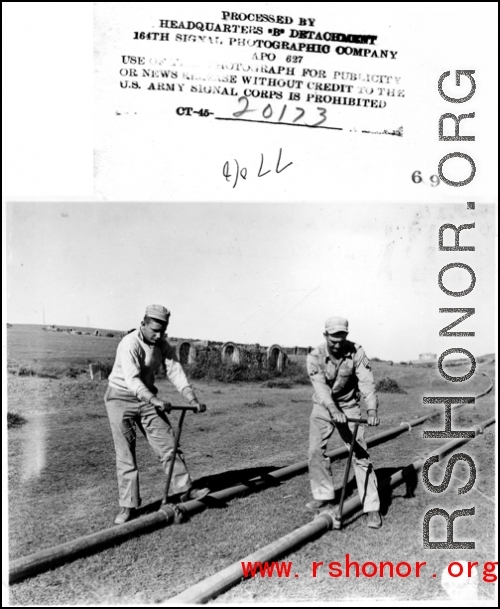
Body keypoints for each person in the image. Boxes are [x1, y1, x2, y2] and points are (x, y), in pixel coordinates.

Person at [104, 304, 209, 525]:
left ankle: (185, 490)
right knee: (126, 455)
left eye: (163, 330)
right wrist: (155, 400)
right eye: (154, 330)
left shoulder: (162, 345)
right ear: (143, 323)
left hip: (148, 400)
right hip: (120, 399)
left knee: (169, 445)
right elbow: (132, 380)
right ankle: (128, 506)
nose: (159, 335)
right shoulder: (129, 343)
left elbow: (175, 371)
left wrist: (192, 399)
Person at [306, 316, 382, 529]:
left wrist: (372, 409)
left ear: (347, 336)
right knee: (315, 452)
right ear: (325, 336)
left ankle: (372, 508)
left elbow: (366, 382)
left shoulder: (357, 351)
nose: (338, 344)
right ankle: (324, 495)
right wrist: (332, 409)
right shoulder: (314, 356)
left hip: (349, 407)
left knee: (359, 454)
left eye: (342, 338)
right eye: (333, 340)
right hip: (323, 407)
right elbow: (320, 389)